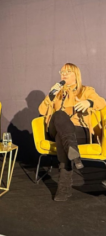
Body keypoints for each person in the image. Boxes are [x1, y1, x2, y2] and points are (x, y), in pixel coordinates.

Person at [39, 63, 106, 201]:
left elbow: (101, 102)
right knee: (59, 115)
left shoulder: (86, 90)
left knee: (61, 137)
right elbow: (41, 111)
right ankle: (73, 152)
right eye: (62, 71)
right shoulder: (57, 93)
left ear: (76, 75)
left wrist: (90, 103)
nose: (63, 74)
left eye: (68, 72)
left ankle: (64, 188)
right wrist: (51, 95)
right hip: (57, 126)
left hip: (79, 131)